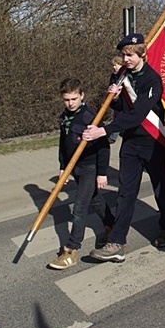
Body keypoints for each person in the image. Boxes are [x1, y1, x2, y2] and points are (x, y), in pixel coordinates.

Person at [82, 33, 165, 263]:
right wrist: (113, 98)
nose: (126, 59)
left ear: (142, 53)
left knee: (161, 188)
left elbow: (137, 114)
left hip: (153, 141)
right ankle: (117, 241)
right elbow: (121, 107)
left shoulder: (152, 80)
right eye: (124, 55)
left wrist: (104, 131)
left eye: (131, 55)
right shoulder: (120, 75)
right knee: (126, 192)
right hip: (131, 143)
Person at [48, 78, 115, 270]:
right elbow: (63, 144)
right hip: (73, 167)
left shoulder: (90, 116)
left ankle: (71, 249)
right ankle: (111, 225)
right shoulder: (65, 116)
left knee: (79, 208)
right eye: (66, 99)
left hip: (89, 167)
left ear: (82, 95)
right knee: (94, 199)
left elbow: (103, 146)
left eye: (74, 99)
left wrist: (102, 173)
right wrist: (63, 167)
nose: (70, 103)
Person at [107, 55, 124, 144]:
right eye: (113, 65)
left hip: (123, 101)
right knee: (116, 117)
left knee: (118, 119)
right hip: (116, 101)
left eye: (116, 65)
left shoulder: (124, 75)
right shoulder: (114, 76)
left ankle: (113, 136)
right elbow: (111, 84)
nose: (114, 67)